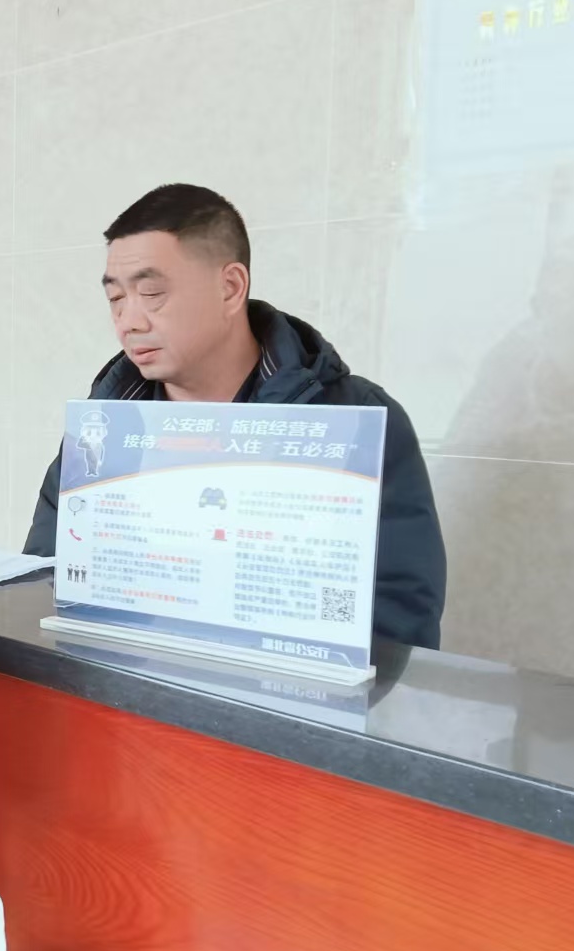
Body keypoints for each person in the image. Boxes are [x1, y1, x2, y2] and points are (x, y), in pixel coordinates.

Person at [24, 183, 446, 649]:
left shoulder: (353, 420)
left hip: (283, 691)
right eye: (116, 299)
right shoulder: (104, 426)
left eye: (151, 292)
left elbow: (400, 623)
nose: (130, 321)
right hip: (118, 686)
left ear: (230, 288)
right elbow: (43, 580)